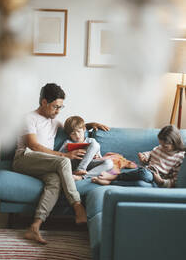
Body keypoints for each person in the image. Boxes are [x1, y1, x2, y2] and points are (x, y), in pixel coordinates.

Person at [13, 83, 109, 244]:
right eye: (55, 107)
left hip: (44, 163)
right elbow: (33, 145)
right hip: (25, 158)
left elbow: (73, 127)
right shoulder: (28, 118)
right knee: (64, 161)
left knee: (55, 181)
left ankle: (34, 227)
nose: (58, 111)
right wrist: (63, 155)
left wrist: (90, 125)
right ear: (44, 102)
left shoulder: (54, 121)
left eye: (61, 107)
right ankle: (78, 207)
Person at [92, 125, 185, 188]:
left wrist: (161, 181)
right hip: (146, 172)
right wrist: (144, 156)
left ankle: (114, 177)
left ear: (174, 142)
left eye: (165, 146)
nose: (162, 148)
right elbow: (151, 154)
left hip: (156, 178)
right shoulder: (160, 148)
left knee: (144, 174)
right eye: (161, 144)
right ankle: (110, 183)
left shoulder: (180, 157)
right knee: (139, 182)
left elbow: (175, 181)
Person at [59, 116, 113, 180]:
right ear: (69, 134)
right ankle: (79, 170)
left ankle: (82, 176)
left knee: (109, 163)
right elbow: (59, 157)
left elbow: (100, 158)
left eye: (79, 131)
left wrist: (97, 157)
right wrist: (68, 154)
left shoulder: (91, 141)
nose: (77, 136)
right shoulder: (67, 142)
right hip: (74, 164)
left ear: (84, 129)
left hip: (89, 164)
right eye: (73, 134)